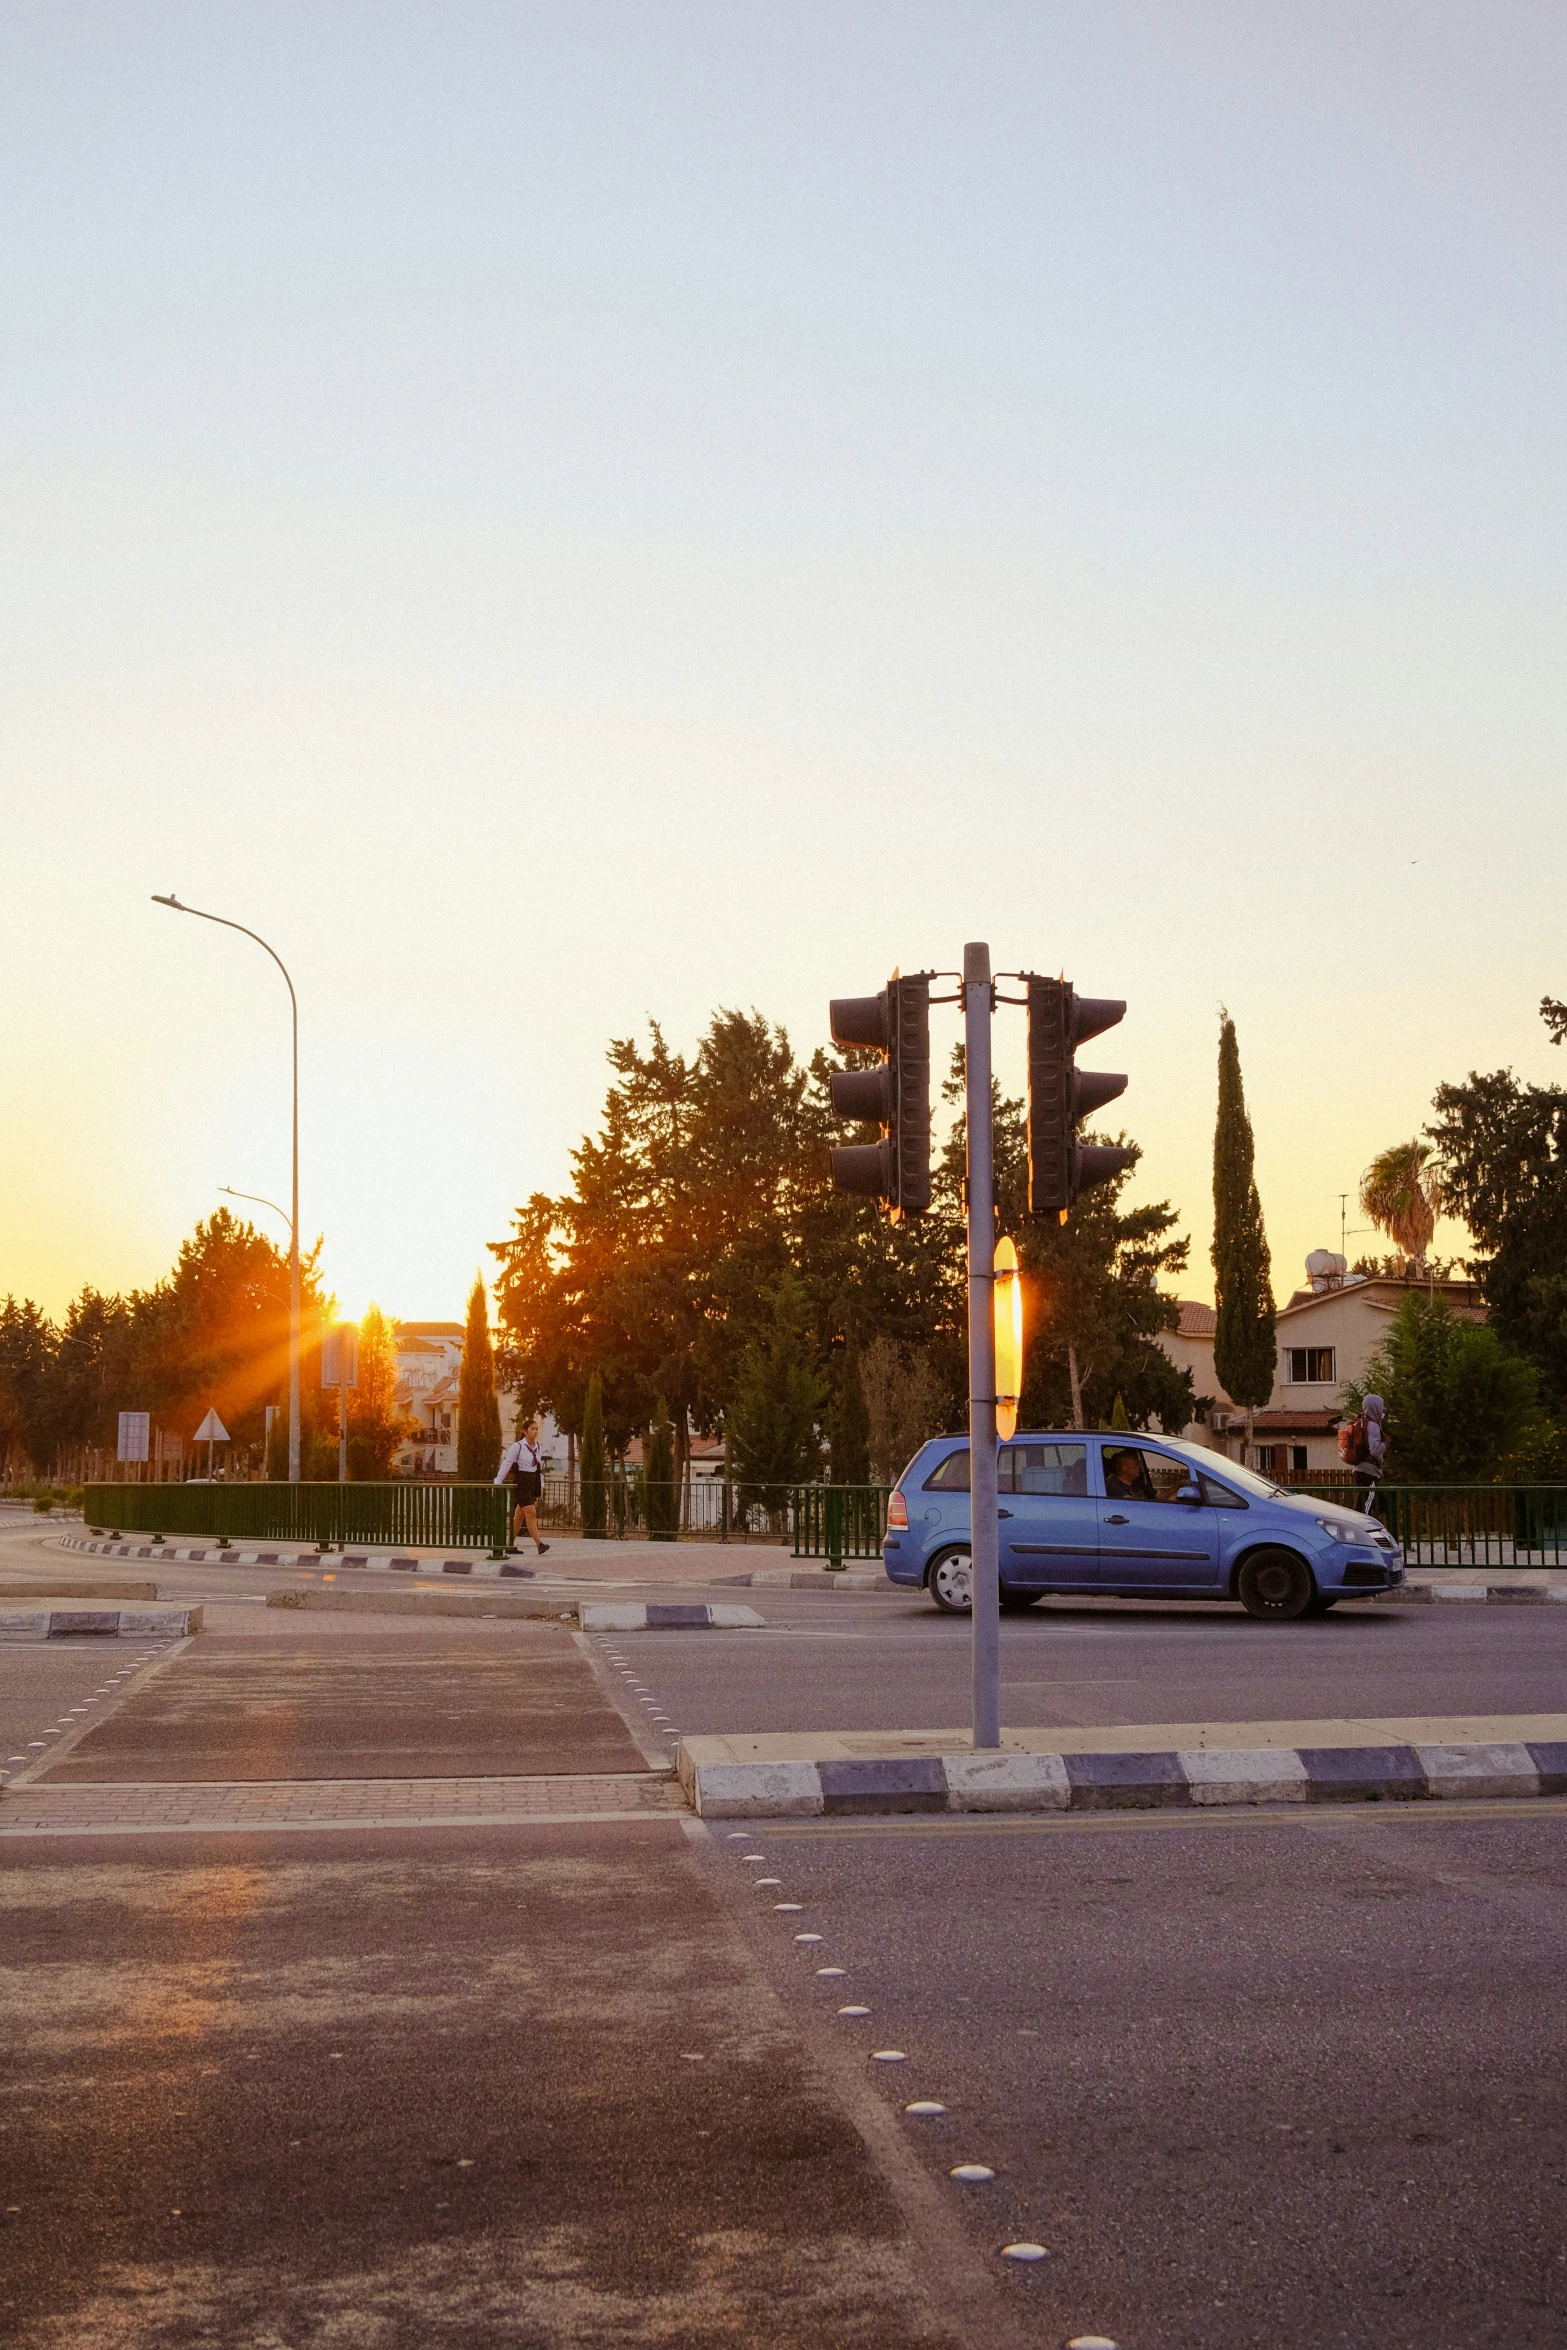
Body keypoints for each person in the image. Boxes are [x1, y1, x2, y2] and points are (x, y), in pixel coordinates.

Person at [495, 1419, 550, 1556]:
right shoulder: (517, 1446)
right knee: (531, 1512)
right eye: (532, 1429)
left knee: (519, 1515)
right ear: (525, 1431)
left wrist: (541, 1485)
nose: (535, 1431)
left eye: (537, 1429)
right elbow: (507, 1463)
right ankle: (539, 1544)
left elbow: (538, 1468)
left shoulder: (538, 1446)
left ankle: (508, 1545)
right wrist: (497, 1481)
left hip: (532, 1481)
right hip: (522, 1482)